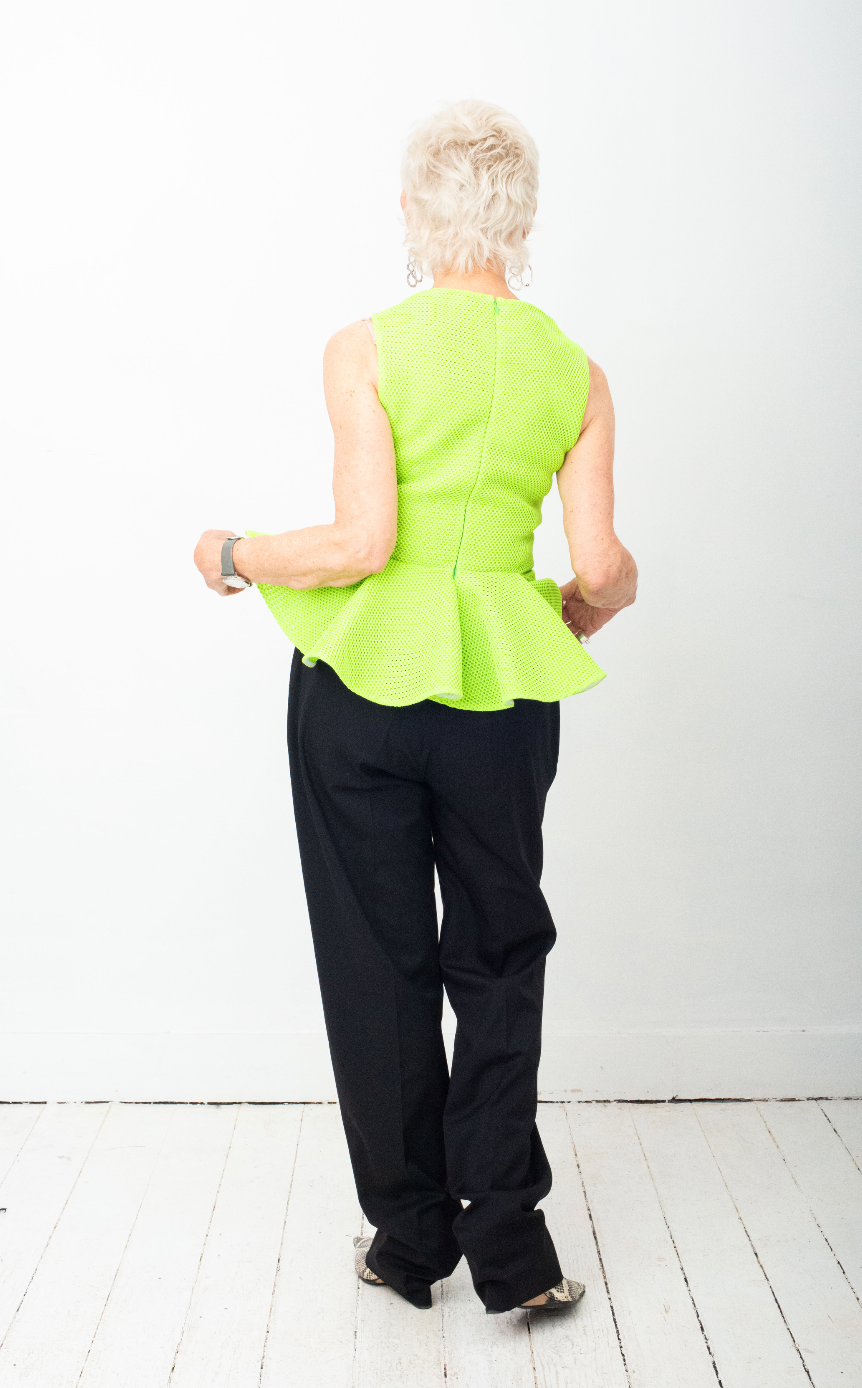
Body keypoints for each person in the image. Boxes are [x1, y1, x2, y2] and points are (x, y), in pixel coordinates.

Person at [193, 99, 637, 1316]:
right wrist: (579, 614)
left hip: (361, 690)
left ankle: (406, 1243)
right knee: (499, 953)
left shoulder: (367, 345)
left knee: (377, 960)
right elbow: (598, 569)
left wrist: (233, 551)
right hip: (503, 690)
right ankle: (513, 1250)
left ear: (413, 214)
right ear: (524, 221)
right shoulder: (576, 372)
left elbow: (361, 541)